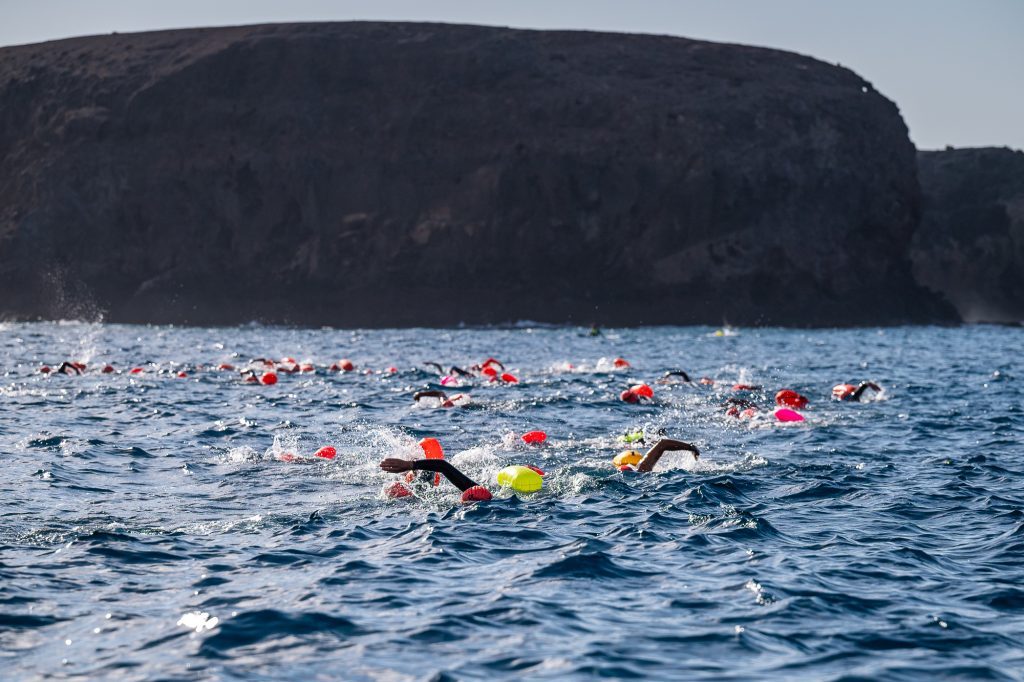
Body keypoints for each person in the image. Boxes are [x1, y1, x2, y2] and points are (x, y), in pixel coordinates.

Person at [380, 457, 492, 501]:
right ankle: (410, 472)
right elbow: (443, 466)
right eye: (466, 501)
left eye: (465, 501)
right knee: (426, 474)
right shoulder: (471, 488)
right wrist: (410, 464)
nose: (462, 502)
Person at [632, 438, 700, 472]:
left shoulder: (642, 468)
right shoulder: (642, 467)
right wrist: (691, 447)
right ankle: (691, 447)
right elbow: (663, 444)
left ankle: (691, 447)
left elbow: (663, 443)